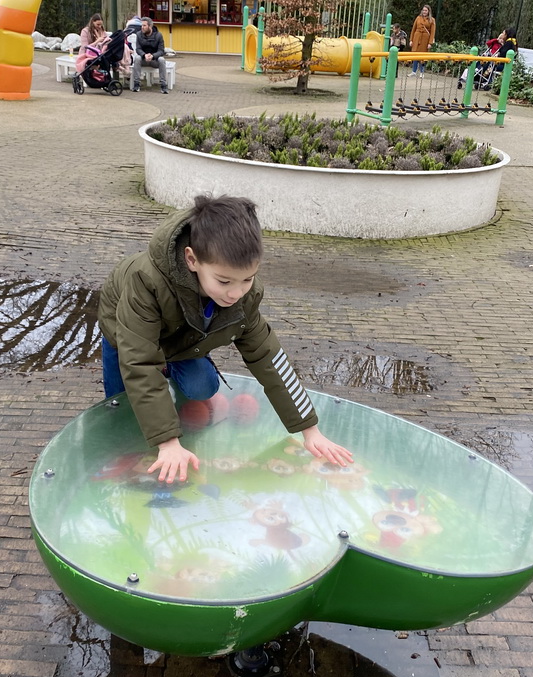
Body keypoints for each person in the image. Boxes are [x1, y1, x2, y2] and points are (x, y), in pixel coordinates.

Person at [98, 195, 354, 484]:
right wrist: (168, 443)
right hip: (127, 334)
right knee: (124, 406)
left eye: (247, 279)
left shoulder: (243, 296)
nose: (236, 293)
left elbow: (268, 356)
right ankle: (147, 434)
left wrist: (310, 430)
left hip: (182, 337)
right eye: (224, 281)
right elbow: (140, 361)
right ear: (192, 260)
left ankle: (165, 385)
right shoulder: (145, 282)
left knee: (202, 386)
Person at [130, 17, 168, 94]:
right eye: (141, 25)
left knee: (162, 60)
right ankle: (136, 84)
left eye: (144, 26)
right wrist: (144, 55)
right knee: (137, 58)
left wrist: (153, 56)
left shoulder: (158, 35)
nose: (142, 27)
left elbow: (161, 50)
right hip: (143, 59)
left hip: (154, 59)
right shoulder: (139, 34)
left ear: (150, 26)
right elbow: (138, 49)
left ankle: (163, 85)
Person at [409, 4, 436, 77]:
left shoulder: (432, 20)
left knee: (423, 56)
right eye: (423, 10)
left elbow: (432, 32)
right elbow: (413, 29)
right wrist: (411, 40)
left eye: (426, 10)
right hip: (416, 38)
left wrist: (430, 43)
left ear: (428, 11)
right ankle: (413, 71)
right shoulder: (418, 18)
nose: (424, 12)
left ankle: (422, 72)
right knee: (415, 54)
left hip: (425, 39)